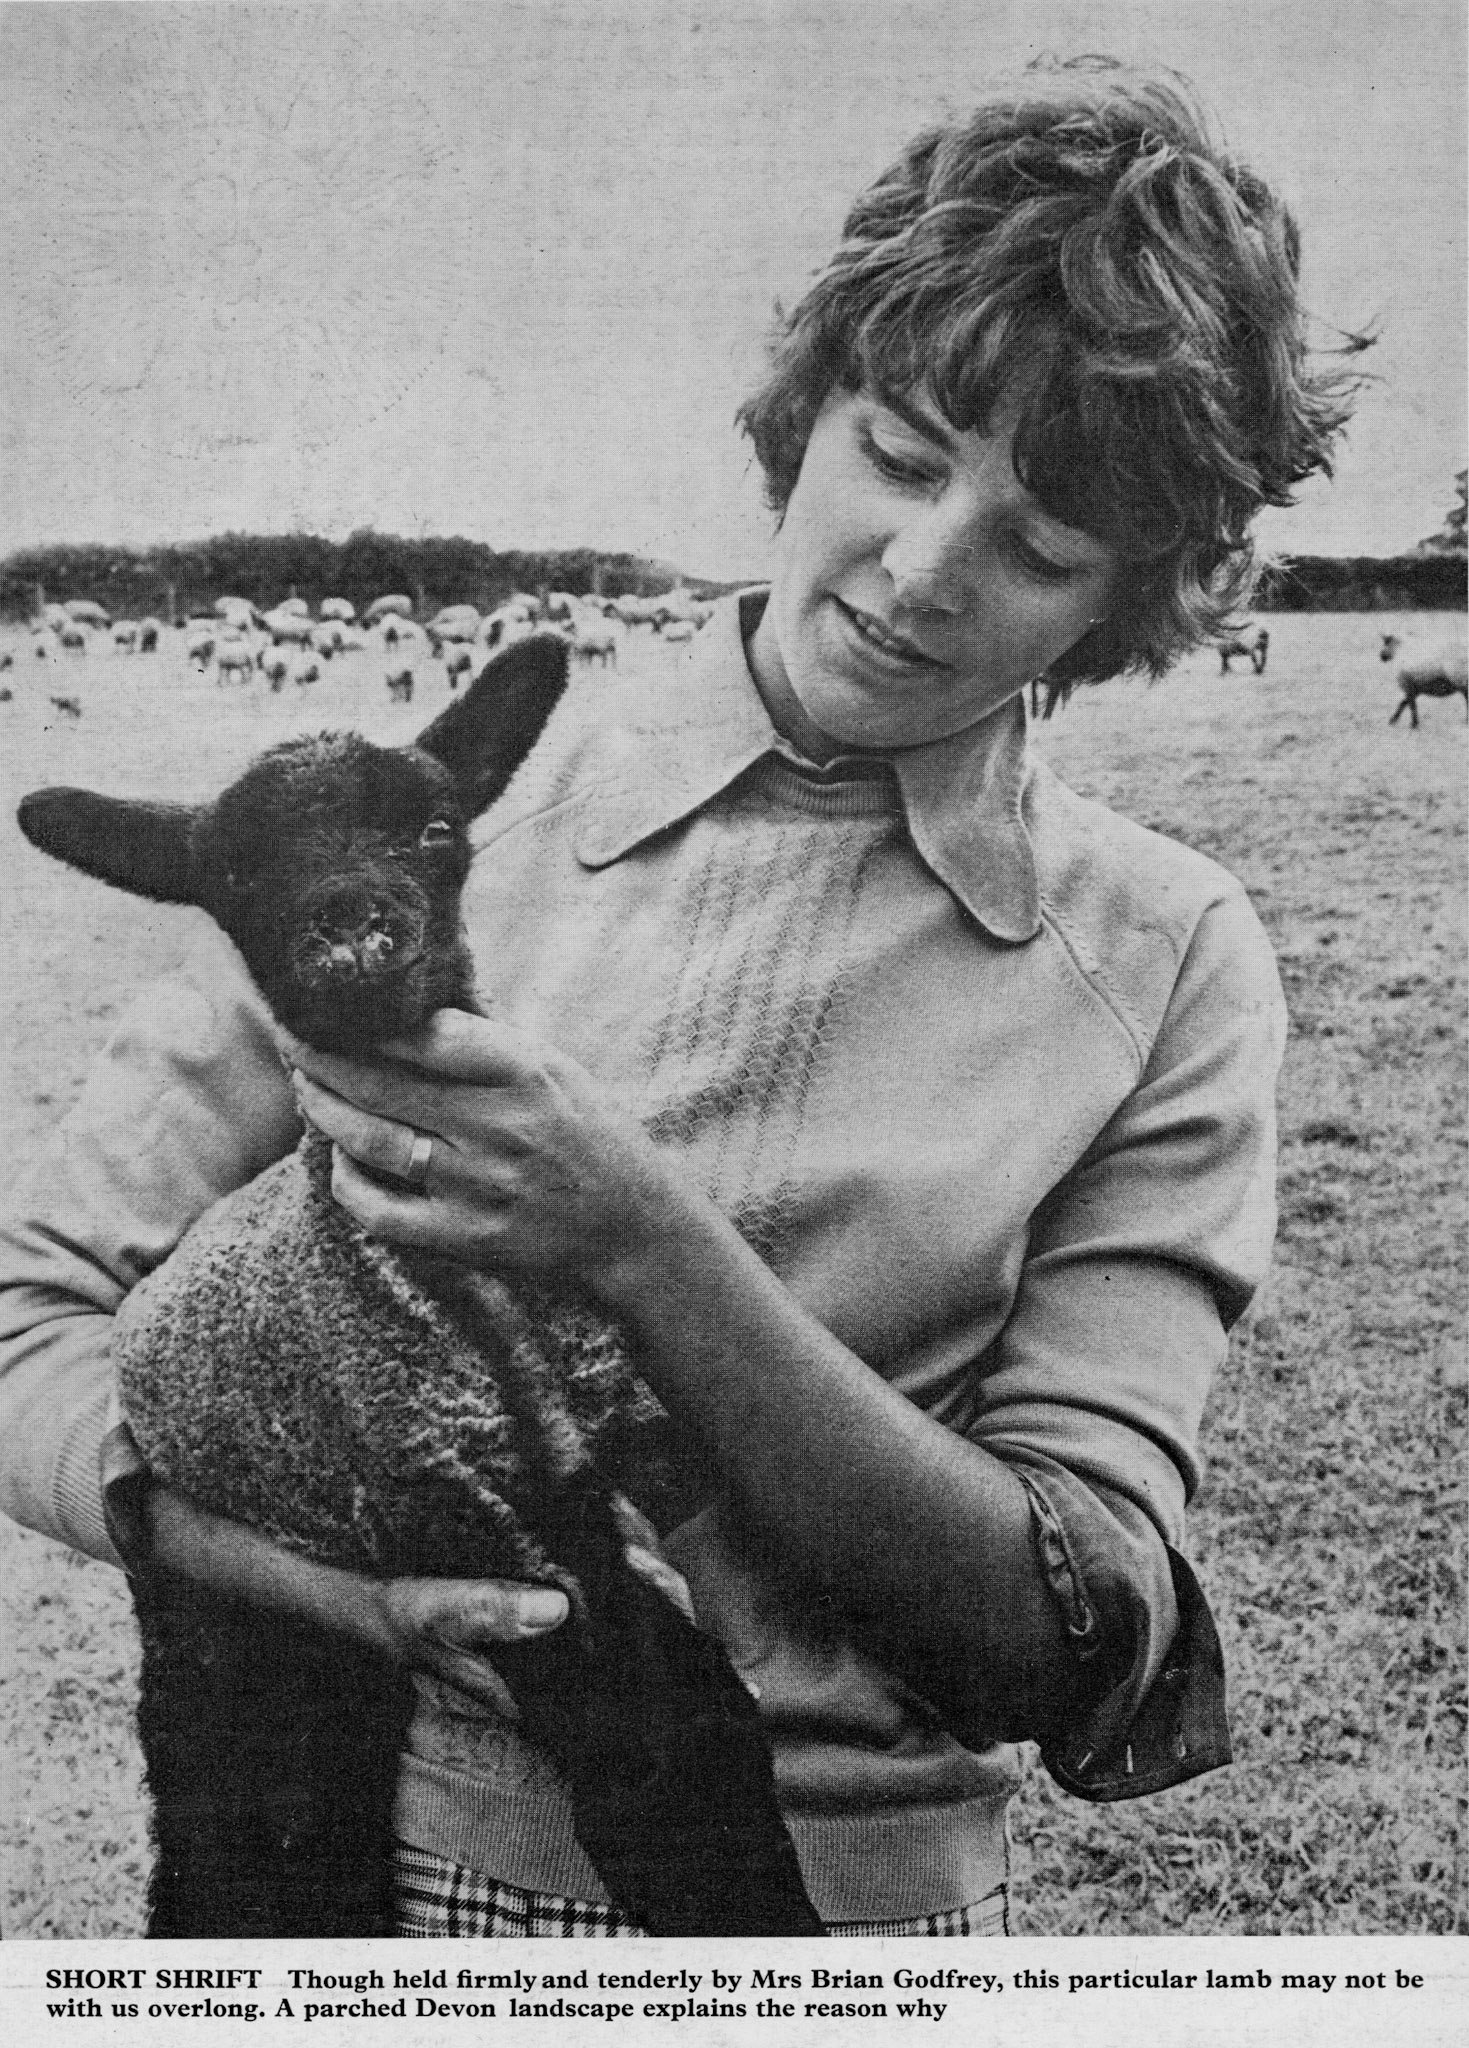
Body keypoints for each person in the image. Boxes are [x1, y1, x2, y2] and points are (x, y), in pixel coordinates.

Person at [0, 57, 1362, 1937]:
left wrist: (646, 1242)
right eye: (894, 453)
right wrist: (330, 1599)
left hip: (854, 1926)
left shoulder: (1160, 955)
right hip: (371, 1892)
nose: (916, 572)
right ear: (804, 412)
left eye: (1040, 547)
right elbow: (33, 1311)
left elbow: (1082, 1630)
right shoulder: (420, 821)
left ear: (1133, 601)